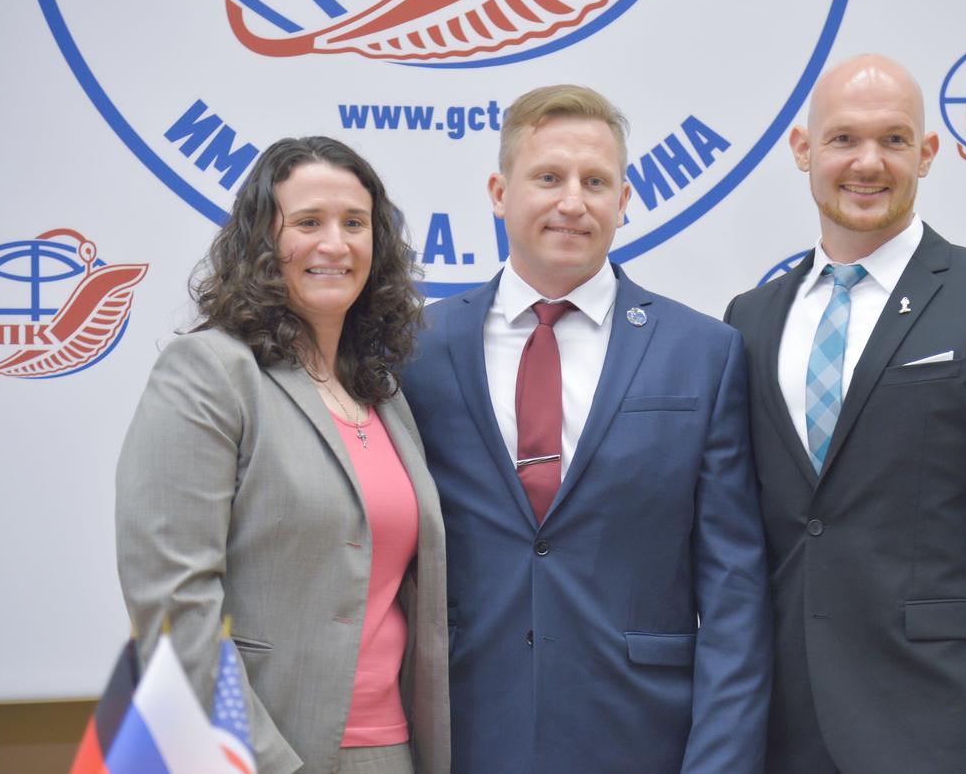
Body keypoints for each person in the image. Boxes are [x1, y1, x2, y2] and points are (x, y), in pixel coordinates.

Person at [724, 55, 966, 774]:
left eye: (893, 140)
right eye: (842, 139)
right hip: (778, 731)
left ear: (926, 154)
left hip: (946, 726)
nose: (868, 162)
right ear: (803, 150)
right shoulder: (749, 319)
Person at [402, 85, 772, 774]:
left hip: (641, 740)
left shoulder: (703, 351)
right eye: (547, 177)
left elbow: (734, 593)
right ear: (498, 190)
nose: (572, 201)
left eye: (595, 181)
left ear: (624, 199)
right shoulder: (417, 349)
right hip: (464, 737)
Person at [116, 136, 450, 774]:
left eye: (355, 223)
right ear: (262, 244)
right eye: (307, 222)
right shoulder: (210, 372)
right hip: (265, 752)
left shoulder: (382, 392)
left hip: (394, 748)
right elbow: (172, 608)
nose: (335, 244)